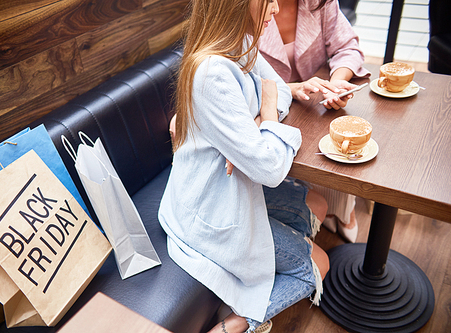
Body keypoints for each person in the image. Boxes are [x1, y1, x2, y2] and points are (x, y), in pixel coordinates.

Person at [158, 1, 329, 332]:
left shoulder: (242, 43)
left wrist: (250, 127)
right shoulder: (212, 72)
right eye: (268, 0)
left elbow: (278, 90)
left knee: (317, 205)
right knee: (318, 264)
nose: (277, 9)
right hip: (210, 209)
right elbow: (269, 168)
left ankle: (258, 275)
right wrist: (264, 119)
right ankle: (235, 326)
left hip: (233, 187)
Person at [258, 0, 371, 242]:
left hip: (317, 104)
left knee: (342, 146)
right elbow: (242, 78)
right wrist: (292, 88)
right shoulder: (247, 8)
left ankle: (340, 209)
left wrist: (337, 81)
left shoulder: (320, 3)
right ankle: (326, 210)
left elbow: (347, 47)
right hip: (271, 108)